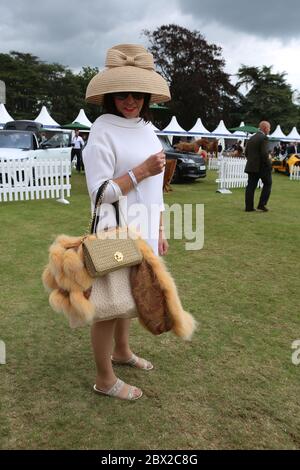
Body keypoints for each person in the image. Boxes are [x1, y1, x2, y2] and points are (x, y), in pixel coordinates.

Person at [82, 43, 171, 401]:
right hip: (115, 232)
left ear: (147, 96)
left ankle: (122, 352)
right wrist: (139, 171)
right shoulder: (102, 129)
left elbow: (156, 186)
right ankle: (105, 379)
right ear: (110, 95)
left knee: (129, 298)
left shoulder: (147, 127)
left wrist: (160, 229)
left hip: (144, 229)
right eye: (122, 94)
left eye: (136, 94)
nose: (130, 100)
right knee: (107, 306)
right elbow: (100, 193)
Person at [244, 121, 272, 212]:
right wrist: (269, 164)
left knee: (250, 187)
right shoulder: (264, 138)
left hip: (251, 166)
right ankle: (261, 204)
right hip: (262, 167)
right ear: (264, 128)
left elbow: (246, 153)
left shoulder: (251, 138)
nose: (269, 130)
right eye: (269, 128)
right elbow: (264, 154)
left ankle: (249, 207)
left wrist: (252, 161)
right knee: (268, 184)